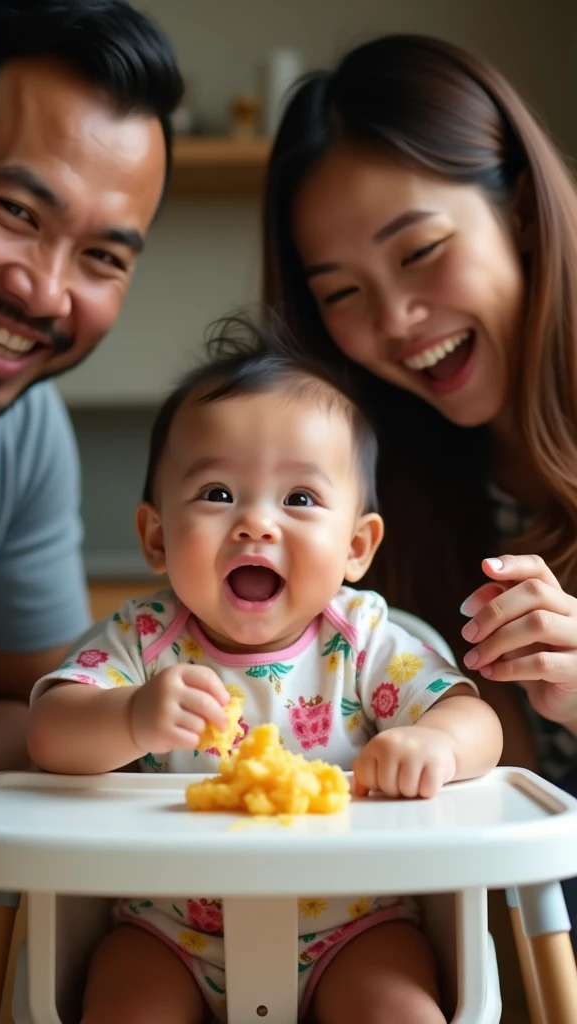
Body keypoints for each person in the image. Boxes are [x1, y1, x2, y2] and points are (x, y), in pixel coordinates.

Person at [26, 320, 503, 1024]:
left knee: (401, 1008)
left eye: (300, 500)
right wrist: (128, 716)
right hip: (167, 929)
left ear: (357, 546)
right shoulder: (143, 642)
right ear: (156, 536)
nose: (255, 524)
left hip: (355, 924)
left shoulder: (363, 641)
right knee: (125, 1003)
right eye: (217, 494)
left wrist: (438, 744)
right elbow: (49, 732)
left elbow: (473, 717)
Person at [262, 31, 577, 943]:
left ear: (518, 209)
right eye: (342, 293)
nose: (396, 322)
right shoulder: (377, 493)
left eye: (420, 251)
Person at [0, 0, 182, 939]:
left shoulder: (21, 435)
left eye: (101, 256)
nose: (46, 293)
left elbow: (25, 700)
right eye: (16, 212)